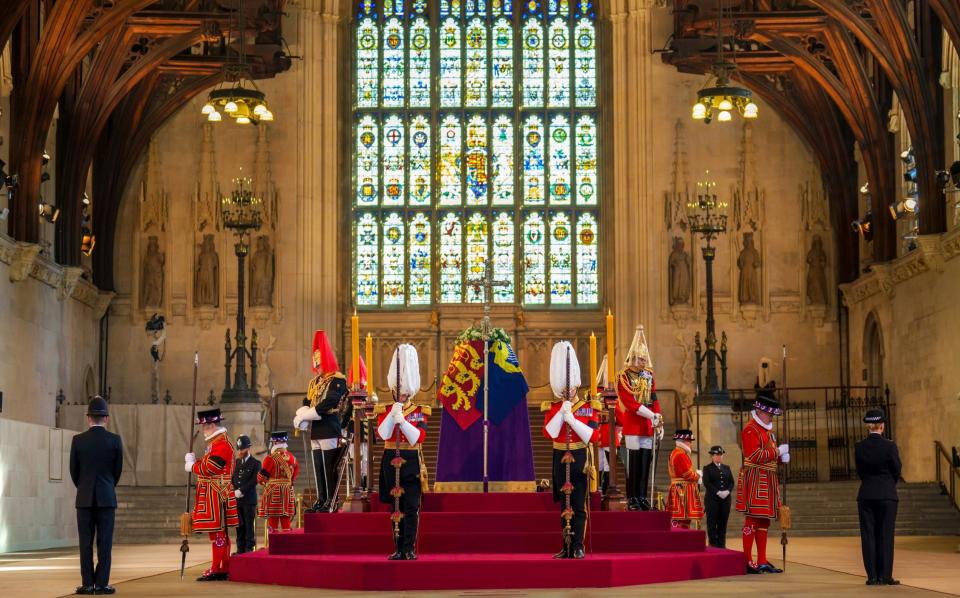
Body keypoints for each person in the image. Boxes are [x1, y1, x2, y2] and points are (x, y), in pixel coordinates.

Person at [542, 341, 600, 560]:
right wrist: (560, 414)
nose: (568, 390)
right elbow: (549, 433)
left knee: (578, 504)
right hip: (559, 457)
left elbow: (593, 436)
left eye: (571, 387)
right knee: (563, 505)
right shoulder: (553, 407)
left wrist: (572, 420)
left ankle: (578, 545)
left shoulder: (587, 407)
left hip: (579, 457)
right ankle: (565, 545)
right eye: (564, 388)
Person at [377, 344, 430, 561]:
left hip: (411, 460)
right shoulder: (386, 409)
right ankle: (397, 548)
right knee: (394, 506)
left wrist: (403, 422)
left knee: (411, 507)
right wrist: (392, 415)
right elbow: (382, 434)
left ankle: (409, 548)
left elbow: (418, 437)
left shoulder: (419, 411)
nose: (401, 392)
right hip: (391, 459)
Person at [69, 396, 123, 596]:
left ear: (88, 418)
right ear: (106, 418)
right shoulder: (115, 440)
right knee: (105, 543)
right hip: (107, 498)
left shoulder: (78, 440)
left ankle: (87, 584)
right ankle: (101, 584)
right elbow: (117, 470)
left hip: (83, 499)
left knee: (85, 543)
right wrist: (107, 487)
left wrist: (83, 487)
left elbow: (73, 471)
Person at [293, 330, 349, 512]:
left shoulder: (337, 379)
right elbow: (307, 401)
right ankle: (321, 498)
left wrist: (309, 414)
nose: (317, 368)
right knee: (318, 466)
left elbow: (331, 401)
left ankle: (331, 501)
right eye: (315, 365)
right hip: (316, 428)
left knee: (328, 466)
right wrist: (300, 414)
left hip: (329, 425)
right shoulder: (315, 382)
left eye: (319, 364)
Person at [736, 384, 789, 574]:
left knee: (764, 522)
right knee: (752, 519)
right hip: (756, 478)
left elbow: (769, 456)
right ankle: (748, 560)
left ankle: (763, 560)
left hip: (767, 477)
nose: (771, 417)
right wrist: (776, 451)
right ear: (759, 410)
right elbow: (755, 455)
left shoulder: (767, 431)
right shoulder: (751, 429)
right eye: (769, 414)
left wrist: (781, 459)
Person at [185, 408, 239, 582]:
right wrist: (196, 461)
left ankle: (218, 568)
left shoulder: (221, 444)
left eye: (205, 426)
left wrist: (192, 466)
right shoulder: (216, 443)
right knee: (218, 532)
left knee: (218, 532)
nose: (203, 430)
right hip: (215, 491)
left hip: (217, 493)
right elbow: (209, 463)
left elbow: (211, 468)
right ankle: (222, 566)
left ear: (212, 425)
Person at [615, 326, 664, 510]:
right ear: (634, 358)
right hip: (633, 424)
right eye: (641, 359)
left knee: (645, 461)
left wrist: (658, 418)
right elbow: (630, 403)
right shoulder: (623, 377)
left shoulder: (648, 376)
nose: (644, 362)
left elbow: (654, 398)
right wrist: (651, 415)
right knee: (634, 463)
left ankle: (643, 496)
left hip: (647, 424)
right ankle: (632, 497)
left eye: (645, 358)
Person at [856, 408, 901, 586]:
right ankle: (885, 576)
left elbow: (860, 471)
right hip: (887, 495)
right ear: (882, 425)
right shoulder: (890, 446)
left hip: (866, 494)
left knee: (868, 536)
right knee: (885, 535)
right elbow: (896, 469)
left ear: (869, 426)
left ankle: (872, 576)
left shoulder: (860, 447)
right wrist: (888, 484)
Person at [258, 431, 299, 533]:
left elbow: (261, 478)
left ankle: (274, 546)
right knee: (286, 521)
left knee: (273, 522)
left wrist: (265, 483)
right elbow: (293, 477)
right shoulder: (293, 459)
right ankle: (287, 546)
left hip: (274, 492)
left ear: (274, 443)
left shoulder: (270, 459)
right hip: (287, 492)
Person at [667, 429, 703, 529]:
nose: (691, 444)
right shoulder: (680, 454)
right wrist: (699, 475)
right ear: (684, 442)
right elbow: (688, 474)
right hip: (682, 490)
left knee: (681, 519)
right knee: (681, 519)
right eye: (690, 441)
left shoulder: (676, 452)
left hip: (680, 488)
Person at [231, 435, 260, 554]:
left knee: (248, 525)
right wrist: (234, 489)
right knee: (239, 525)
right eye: (238, 449)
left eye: (242, 449)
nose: (240, 452)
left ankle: (249, 548)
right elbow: (233, 478)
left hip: (248, 499)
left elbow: (254, 481)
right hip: (238, 500)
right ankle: (240, 548)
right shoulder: (237, 462)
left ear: (248, 449)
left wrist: (241, 490)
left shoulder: (255, 463)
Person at [703, 445, 733, 548]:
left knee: (722, 524)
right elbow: (707, 483)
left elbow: (731, 482)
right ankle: (713, 546)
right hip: (712, 500)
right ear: (712, 456)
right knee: (712, 524)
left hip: (725, 500)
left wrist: (728, 491)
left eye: (720, 455)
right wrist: (718, 492)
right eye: (717, 455)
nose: (719, 457)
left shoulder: (727, 468)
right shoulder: (707, 468)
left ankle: (722, 546)